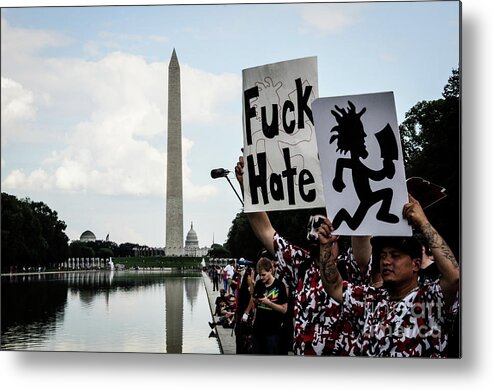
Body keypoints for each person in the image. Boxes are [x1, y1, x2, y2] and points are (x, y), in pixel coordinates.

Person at [235, 155, 372, 355]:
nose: (315, 233)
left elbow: (361, 234)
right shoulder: (300, 263)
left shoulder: (350, 266)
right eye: (312, 226)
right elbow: (265, 230)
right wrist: (249, 187)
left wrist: (355, 176)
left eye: (320, 225)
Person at [318, 194, 460, 357]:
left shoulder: (430, 299)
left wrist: (423, 223)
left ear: (415, 264)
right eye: (383, 255)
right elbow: (334, 286)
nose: (386, 261)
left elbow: (454, 276)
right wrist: (326, 246)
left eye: (395, 255)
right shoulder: (371, 300)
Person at [250, 257, 288, 354]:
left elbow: (284, 309)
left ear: (270, 270)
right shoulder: (259, 284)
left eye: (263, 275)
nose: (261, 278)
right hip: (258, 330)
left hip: (273, 332)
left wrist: (269, 303)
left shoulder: (280, 286)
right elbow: (256, 304)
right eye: (260, 275)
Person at [235, 266, 255, 354]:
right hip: (239, 309)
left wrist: (247, 312)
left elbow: (252, 296)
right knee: (238, 334)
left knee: (244, 335)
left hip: (245, 311)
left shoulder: (248, 277)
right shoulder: (240, 277)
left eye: (241, 268)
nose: (239, 270)